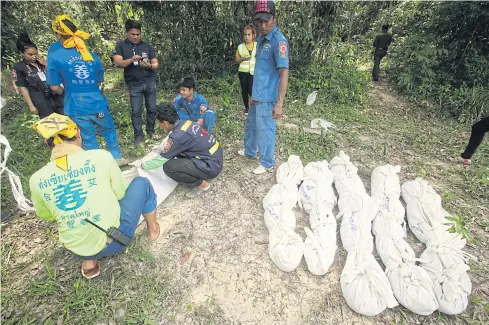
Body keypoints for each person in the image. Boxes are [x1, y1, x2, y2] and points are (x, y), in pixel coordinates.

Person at [29, 113, 160, 279]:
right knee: (142, 183)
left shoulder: (36, 179)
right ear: (77, 134)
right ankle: (153, 230)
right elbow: (120, 193)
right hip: (115, 241)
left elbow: (46, 215)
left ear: (47, 142)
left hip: (75, 249)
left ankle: (89, 262)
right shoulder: (100, 156)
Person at [48, 14, 128, 166]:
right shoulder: (91, 55)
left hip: (75, 105)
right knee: (108, 129)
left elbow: (54, 87)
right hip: (97, 103)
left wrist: (65, 91)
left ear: (58, 34)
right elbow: (98, 82)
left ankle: (98, 164)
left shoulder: (55, 57)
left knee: (87, 135)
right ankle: (116, 157)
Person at [240, 0, 289, 175]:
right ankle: (249, 151)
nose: (262, 25)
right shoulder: (261, 38)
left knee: (265, 129)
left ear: (274, 18)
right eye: (259, 21)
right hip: (256, 93)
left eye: (265, 21)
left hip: (268, 96)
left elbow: (284, 73)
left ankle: (267, 162)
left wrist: (279, 103)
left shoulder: (279, 42)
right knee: (251, 125)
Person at [139, 103, 223, 198]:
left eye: (159, 123)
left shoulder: (177, 136)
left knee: (169, 167)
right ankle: (198, 171)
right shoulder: (186, 123)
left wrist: (142, 166)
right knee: (176, 153)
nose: (160, 126)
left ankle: (203, 185)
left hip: (211, 166)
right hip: (216, 157)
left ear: (165, 123)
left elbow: (160, 160)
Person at [113, 19, 159, 146]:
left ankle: (151, 131)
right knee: (136, 111)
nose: (136, 37)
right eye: (133, 34)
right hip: (134, 84)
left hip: (149, 81)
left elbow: (156, 63)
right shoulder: (121, 45)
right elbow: (118, 63)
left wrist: (149, 65)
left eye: (138, 34)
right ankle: (138, 137)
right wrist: (131, 59)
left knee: (152, 108)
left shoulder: (146, 46)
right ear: (127, 33)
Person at [13, 33, 64, 118]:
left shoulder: (42, 62)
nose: (34, 57)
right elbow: (22, 87)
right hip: (40, 99)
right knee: (50, 125)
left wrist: (46, 64)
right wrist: (31, 105)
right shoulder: (19, 67)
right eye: (30, 54)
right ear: (22, 53)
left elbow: (56, 75)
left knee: (67, 122)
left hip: (56, 96)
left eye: (35, 54)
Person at [235, 25, 257, 117]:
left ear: (253, 35)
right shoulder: (240, 47)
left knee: (251, 90)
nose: (247, 37)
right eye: (245, 35)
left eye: (249, 34)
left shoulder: (257, 45)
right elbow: (236, 60)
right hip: (243, 72)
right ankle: (247, 107)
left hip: (253, 72)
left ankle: (254, 107)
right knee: (244, 90)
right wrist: (243, 59)